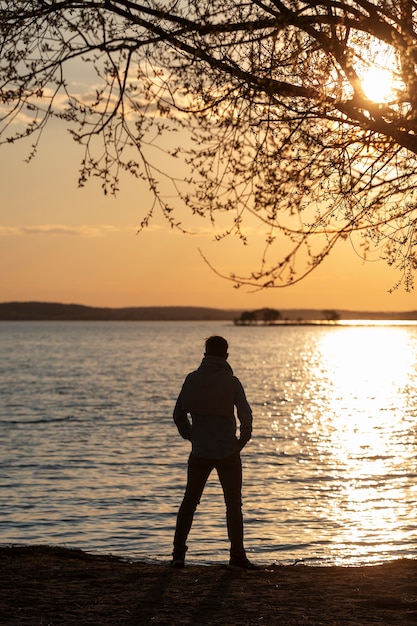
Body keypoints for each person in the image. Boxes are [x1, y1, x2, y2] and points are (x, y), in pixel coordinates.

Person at [172, 335, 256, 570]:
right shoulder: (232, 382)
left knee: (189, 502)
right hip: (228, 451)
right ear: (226, 355)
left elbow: (178, 414)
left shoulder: (192, 379)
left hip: (200, 452)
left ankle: (178, 555)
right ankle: (237, 556)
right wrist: (242, 440)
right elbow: (246, 416)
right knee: (233, 505)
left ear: (205, 353)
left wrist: (191, 435)